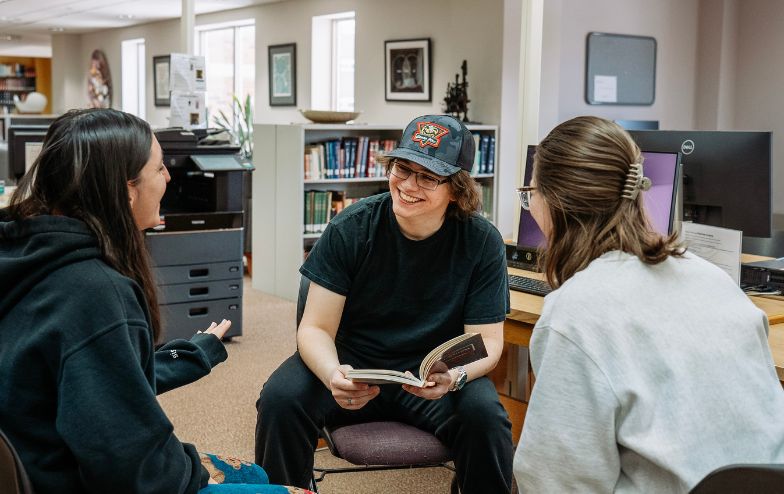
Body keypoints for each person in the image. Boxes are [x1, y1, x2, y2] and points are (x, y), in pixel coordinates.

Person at [0, 108, 310, 494]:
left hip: (34, 464)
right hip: (76, 479)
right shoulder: (97, 293)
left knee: (255, 475)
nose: (169, 177)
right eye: (159, 168)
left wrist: (194, 355)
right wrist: (196, 473)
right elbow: (130, 460)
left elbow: (97, 377)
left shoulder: (25, 256)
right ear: (126, 189)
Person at [513, 116, 784, 492]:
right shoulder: (712, 278)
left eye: (531, 194)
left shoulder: (577, 312)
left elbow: (554, 481)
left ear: (554, 203)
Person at [255, 115, 513, 492]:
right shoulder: (352, 227)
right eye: (402, 169)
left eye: (428, 177)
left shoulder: (481, 242)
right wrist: (333, 374)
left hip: (432, 377)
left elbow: (487, 342)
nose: (408, 186)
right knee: (280, 399)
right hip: (352, 367)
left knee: (486, 418)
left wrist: (455, 377)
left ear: (457, 189)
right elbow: (314, 329)